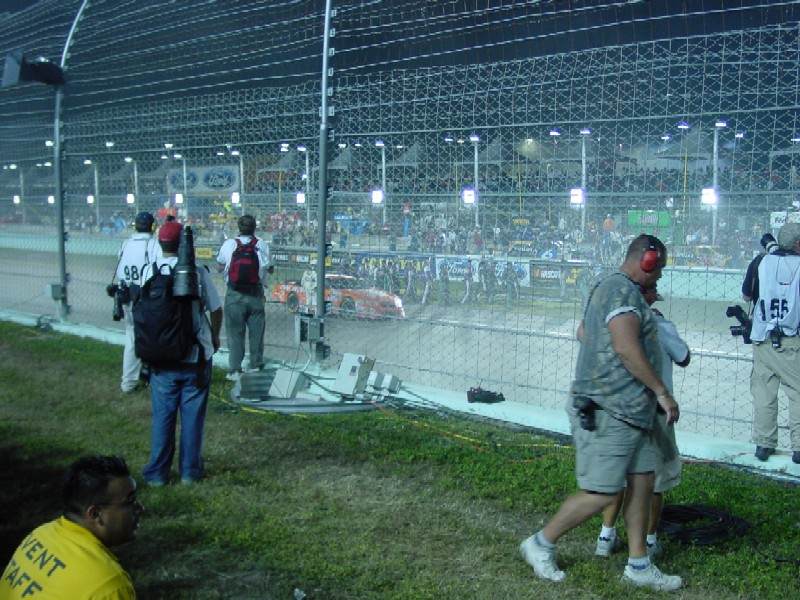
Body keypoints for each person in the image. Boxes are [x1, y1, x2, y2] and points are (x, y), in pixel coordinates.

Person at [519, 234, 683, 592]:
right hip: (608, 410)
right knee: (603, 492)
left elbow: (586, 333)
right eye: (660, 269)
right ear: (647, 260)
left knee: (642, 483)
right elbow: (626, 347)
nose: (660, 278)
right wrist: (661, 392)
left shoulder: (617, 291)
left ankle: (638, 565)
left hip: (632, 411)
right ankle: (540, 543)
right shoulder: (621, 291)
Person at [594, 283, 690, 559]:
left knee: (619, 475)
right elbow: (684, 357)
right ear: (649, 298)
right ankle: (649, 541)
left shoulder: (610, 323)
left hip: (620, 407)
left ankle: (606, 535)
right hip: (656, 410)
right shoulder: (660, 324)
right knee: (655, 481)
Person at [142, 220, 223, 486]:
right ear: (185, 244)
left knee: (163, 417)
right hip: (195, 358)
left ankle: (156, 474)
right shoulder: (197, 272)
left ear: (160, 243)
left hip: (161, 358)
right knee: (192, 418)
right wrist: (214, 336)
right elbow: (216, 307)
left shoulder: (149, 271)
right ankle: (189, 472)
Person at [0, 455, 142, 599]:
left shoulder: (41, 534)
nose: (140, 508)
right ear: (95, 514)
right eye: (130, 501)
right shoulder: (108, 587)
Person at [743, 222, 800, 463]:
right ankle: (799, 448)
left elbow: (746, 295)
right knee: (798, 393)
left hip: (762, 339)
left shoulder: (759, 262)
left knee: (764, 394)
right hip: (791, 341)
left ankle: (764, 445)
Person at [215, 215, 271, 380]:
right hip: (256, 293)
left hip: (234, 294)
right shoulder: (261, 244)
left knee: (235, 334)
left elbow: (219, 267)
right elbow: (270, 268)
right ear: (255, 227)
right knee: (256, 334)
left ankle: (235, 369)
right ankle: (255, 364)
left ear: (238, 227)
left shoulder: (229, 244)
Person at [114, 211, 159, 393]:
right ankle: (144, 377)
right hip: (145, 296)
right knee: (152, 336)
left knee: (132, 335)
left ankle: (131, 380)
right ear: (151, 226)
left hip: (126, 294)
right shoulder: (153, 244)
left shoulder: (126, 243)